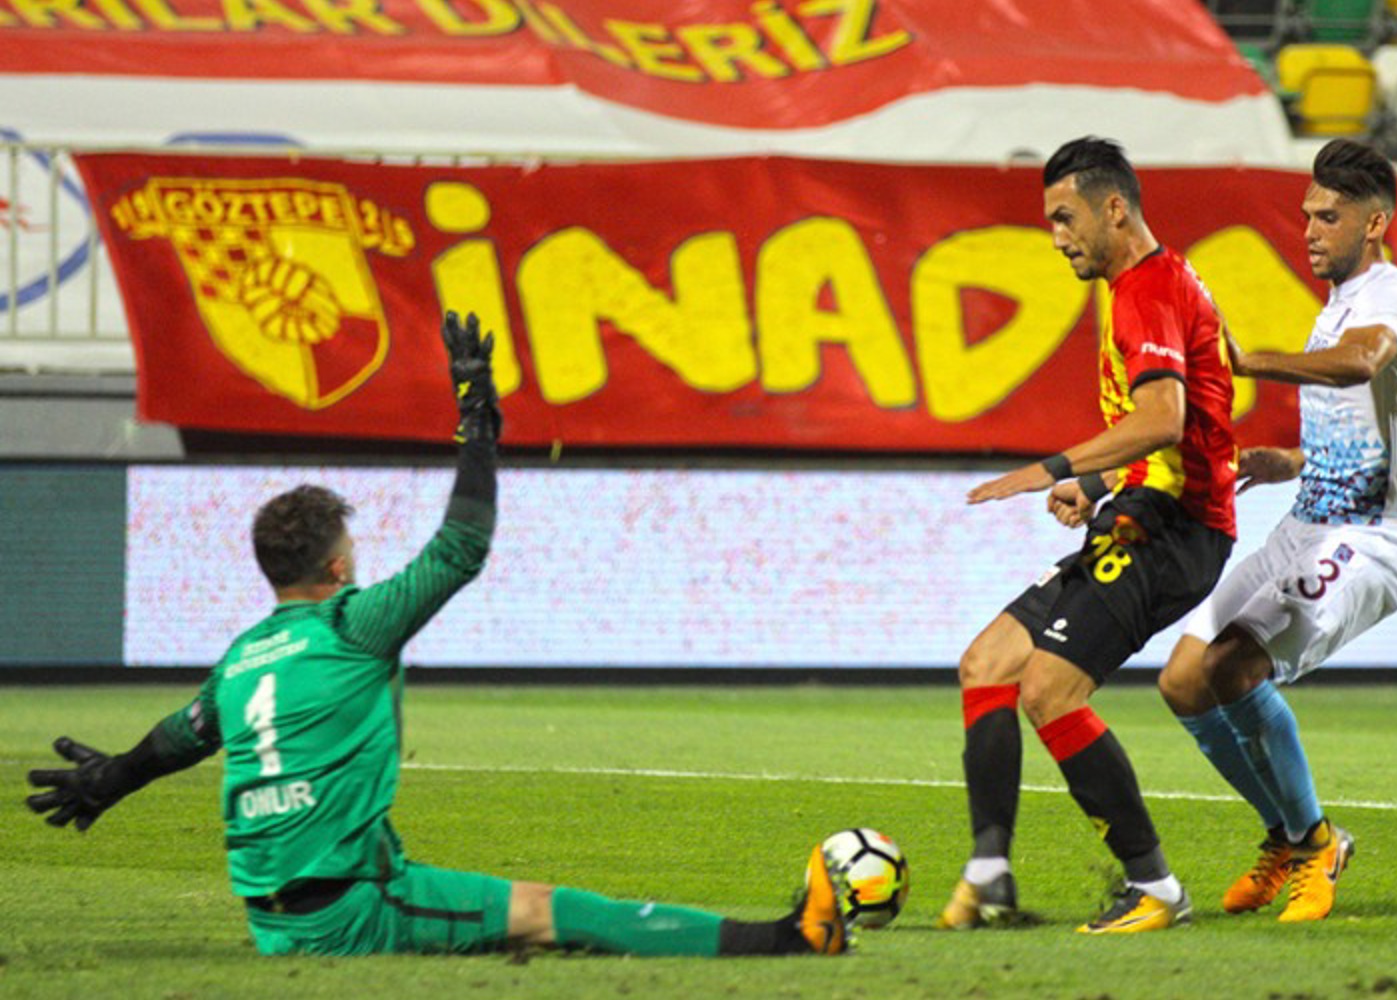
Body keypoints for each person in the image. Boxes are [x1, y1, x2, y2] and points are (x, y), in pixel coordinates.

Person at [25, 311, 848, 959]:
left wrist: (112, 779)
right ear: (337, 567)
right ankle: (790, 940)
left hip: (277, 916)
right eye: (351, 550)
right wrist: (478, 422)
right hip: (346, 912)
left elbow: (178, 738)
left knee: (505, 915)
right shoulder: (354, 625)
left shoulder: (242, 659)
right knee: (555, 912)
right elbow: (461, 547)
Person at [942, 137, 1238, 935]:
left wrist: (1050, 469)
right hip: (1143, 510)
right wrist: (1098, 483)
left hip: (1173, 532)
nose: (1056, 237)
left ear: (1114, 209)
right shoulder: (1150, 285)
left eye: (1064, 217)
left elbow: (1163, 418)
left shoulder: (1147, 289)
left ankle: (1155, 888)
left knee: (1049, 690)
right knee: (987, 664)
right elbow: (1180, 433)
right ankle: (989, 874)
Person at [1157, 139, 1397, 923]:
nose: (1310, 230)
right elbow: (1358, 423)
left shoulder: (1395, 298)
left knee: (1237, 664)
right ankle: (1289, 835)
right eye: (1307, 214)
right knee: (1183, 681)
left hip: (1370, 539)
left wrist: (1248, 363)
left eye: (1329, 216)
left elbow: (1361, 363)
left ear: (1375, 222)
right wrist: (1288, 459)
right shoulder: (1337, 306)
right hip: (1305, 523)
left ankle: (1316, 844)